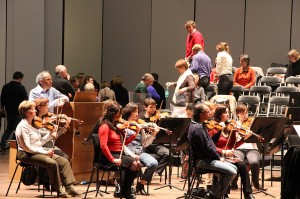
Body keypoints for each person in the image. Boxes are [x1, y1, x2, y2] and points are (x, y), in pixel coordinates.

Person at [15, 101, 80, 197]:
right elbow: (27, 148)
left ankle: (69, 187)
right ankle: (59, 189)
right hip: (26, 154)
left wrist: (51, 135)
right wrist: (45, 152)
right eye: (33, 109)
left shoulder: (33, 124)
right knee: (52, 163)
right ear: (26, 112)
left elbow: (39, 142)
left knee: (63, 161)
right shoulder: (22, 127)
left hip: (36, 151)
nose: (35, 111)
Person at [188, 103, 237, 199]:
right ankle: (212, 196)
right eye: (208, 112)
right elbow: (207, 149)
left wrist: (219, 131)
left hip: (207, 159)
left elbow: (211, 143)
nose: (210, 114)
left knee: (234, 168)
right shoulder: (198, 128)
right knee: (231, 172)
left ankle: (215, 194)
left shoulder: (199, 126)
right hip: (202, 161)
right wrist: (218, 158)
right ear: (201, 115)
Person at [98, 100, 141, 199]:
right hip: (108, 156)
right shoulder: (104, 126)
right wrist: (112, 160)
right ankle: (125, 191)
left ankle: (124, 190)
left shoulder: (116, 126)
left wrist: (135, 134)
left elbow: (123, 143)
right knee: (134, 164)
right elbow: (103, 146)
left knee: (137, 164)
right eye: (119, 113)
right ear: (112, 114)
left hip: (118, 154)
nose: (120, 115)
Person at [212, 105, 255, 199]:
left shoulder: (230, 128)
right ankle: (224, 194)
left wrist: (244, 138)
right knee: (226, 168)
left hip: (228, 156)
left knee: (242, 165)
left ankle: (248, 193)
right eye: (225, 113)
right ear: (219, 114)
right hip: (217, 155)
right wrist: (223, 152)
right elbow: (210, 146)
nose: (228, 115)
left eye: (228, 112)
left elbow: (233, 146)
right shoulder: (214, 128)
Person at [122, 102, 159, 195]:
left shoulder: (140, 126)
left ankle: (141, 184)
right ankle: (127, 187)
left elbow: (145, 144)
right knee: (136, 164)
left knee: (154, 163)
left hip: (139, 152)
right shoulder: (123, 126)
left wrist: (153, 134)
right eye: (136, 112)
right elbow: (122, 144)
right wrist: (131, 154)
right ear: (129, 112)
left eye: (138, 111)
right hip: (128, 153)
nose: (138, 114)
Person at [34, 97, 71, 190]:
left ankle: (56, 181)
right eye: (46, 105)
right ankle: (48, 180)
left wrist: (65, 127)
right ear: (39, 107)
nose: (48, 107)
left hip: (50, 146)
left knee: (66, 157)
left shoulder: (48, 119)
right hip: (41, 147)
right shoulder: (35, 121)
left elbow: (54, 136)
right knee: (58, 159)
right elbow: (42, 137)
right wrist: (51, 131)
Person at [232, 104, 262, 191]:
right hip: (238, 148)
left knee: (255, 162)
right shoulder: (234, 124)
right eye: (242, 114)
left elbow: (258, 136)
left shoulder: (252, 123)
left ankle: (255, 183)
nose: (245, 116)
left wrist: (257, 134)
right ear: (237, 114)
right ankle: (234, 181)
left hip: (252, 148)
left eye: (246, 113)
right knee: (236, 161)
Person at [141, 98, 171, 176]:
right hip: (147, 144)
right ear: (145, 107)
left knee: (169, 154)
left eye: (154, 107)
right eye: (151, 107)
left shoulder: (158, 118)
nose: (153, 109)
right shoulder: (141, 119)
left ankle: (156, 172)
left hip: (157, 144)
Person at [0, 71, 28, 153]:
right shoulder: (21, 87)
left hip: (9, 111)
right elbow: (26, 99)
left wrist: (2, 107)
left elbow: (2, 99)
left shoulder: (6, 87)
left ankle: (2, 145)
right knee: (17, 129)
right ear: (20, 78)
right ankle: (15, 147)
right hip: (19, 112)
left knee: (9, 129)